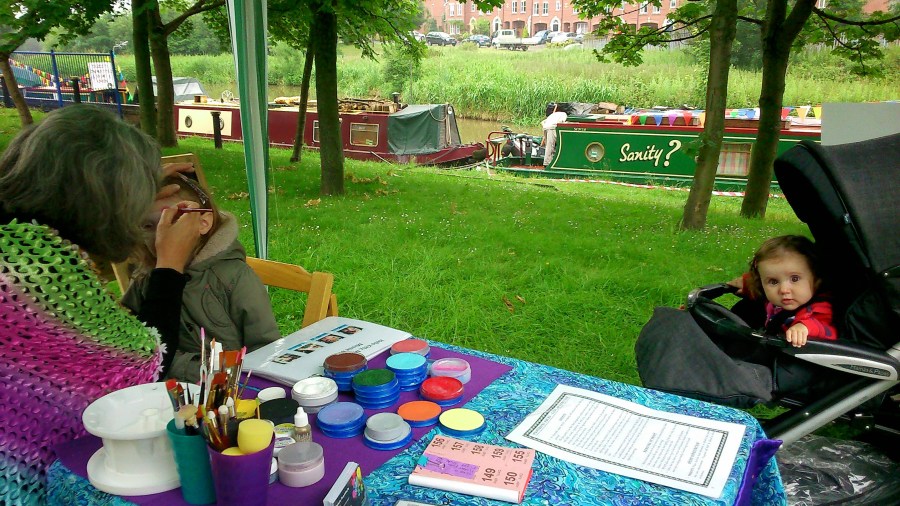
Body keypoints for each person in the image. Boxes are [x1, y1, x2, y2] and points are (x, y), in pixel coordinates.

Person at [0, 105, 202, 504]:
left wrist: (130, 186)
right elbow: (139, 369)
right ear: (102, 202)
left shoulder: (14, 233)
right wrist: (170, 265)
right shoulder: (31, 268)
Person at [122, 173, 281, 383]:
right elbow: (131, 346)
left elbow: (266, 349)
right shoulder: (145, 278)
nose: (161, 233)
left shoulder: (234, 278)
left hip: (233, 392)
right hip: (169, 395)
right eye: (147, 226)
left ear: (203, 222)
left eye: (173, 220)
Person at [744, 235, 837, 347]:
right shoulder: (773, 299)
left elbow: (829, 331)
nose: (783, 290)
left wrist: (805, 327)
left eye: (794, 279)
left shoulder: (818, 309)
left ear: (815, 280)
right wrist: (744, 285)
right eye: (773, 281)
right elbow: (757, 291)